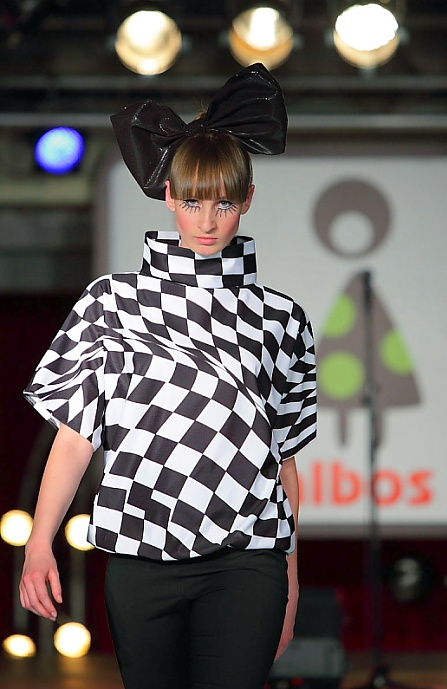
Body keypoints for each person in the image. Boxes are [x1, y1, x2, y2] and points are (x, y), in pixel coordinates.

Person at [19, 63, 317, 689]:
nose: (207, 221)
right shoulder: (111, 302)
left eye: (224, 203)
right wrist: (39, 542)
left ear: (248, 199)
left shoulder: (281, 317)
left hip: (248, 559)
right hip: (140, 552)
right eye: (192, 202)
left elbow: (283, 461)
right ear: (168, 198)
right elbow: (74, 437)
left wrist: (291, 578)